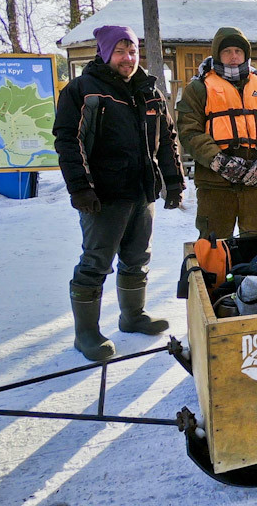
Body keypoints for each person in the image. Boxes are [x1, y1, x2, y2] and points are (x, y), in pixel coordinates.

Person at [53, 25, 185, 361]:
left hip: (142, 192)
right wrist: (81, 189)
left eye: (133, 51)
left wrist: (173, 182)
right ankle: (86, 334)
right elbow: (69, 141)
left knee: (138, 258)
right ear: (105, 53)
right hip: (103, 196)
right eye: (120, 51)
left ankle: (131, 316)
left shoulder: (148, 89)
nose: (128, 59)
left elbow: (167, 140)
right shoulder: (83, 90)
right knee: (95, 263)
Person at [177, 27, 257, 238]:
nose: (233, 56)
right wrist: (218, 161)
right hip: (215, 184)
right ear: (217, 54)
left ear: (246, 55)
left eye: (238, 51)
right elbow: (189, 130)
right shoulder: (199, 87)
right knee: (214, 246)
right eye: (227, 51)